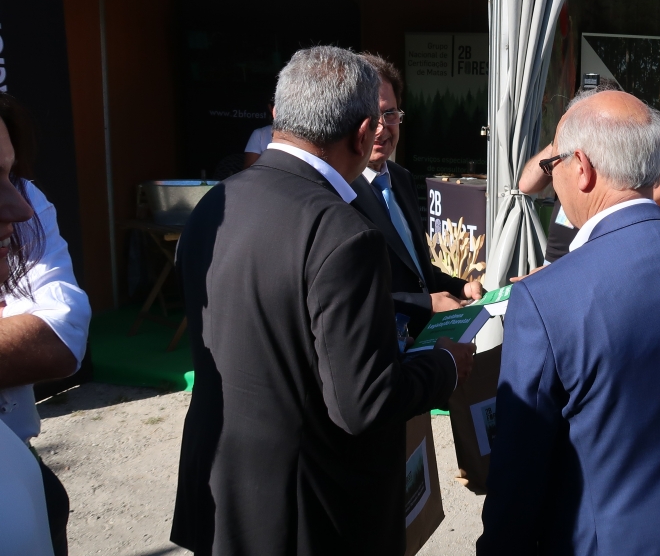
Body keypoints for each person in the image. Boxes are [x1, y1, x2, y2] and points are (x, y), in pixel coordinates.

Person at [171, 46, 475, 556]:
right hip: (307, 512)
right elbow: (365, 403)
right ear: (363, 133)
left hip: (221, 493)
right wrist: (445, 364)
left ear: (279, 116)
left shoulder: (213, 205)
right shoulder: (343, 233)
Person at [478, 91, 660, 555]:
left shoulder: (546, 297)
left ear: (582, 168)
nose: (553, 179)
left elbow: (520, 471)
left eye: (553, 165)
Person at [0, 94, 91, 556]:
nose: (19, 209)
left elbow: (60, 337)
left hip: (20, 457)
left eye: (8, 175)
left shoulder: (26, 199)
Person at [350, 53, 482, 334]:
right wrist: (425, 304)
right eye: (370, 115)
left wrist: (461, 287)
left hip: (425, 341)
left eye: (389, 114)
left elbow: (416, 271)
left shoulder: (402, 178)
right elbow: (353, 297)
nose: (381, 128)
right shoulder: (338, 193)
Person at [517, 78, 621, 265]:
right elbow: (526, 185)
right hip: (554, 260)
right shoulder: (565, 150)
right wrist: (560, 140)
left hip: (591, 262)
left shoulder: (618, 155)